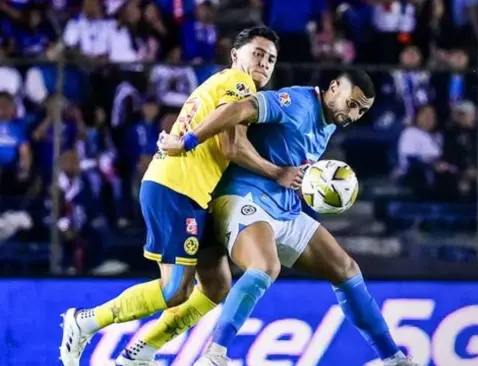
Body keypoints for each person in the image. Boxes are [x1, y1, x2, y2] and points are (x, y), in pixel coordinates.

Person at [59, 26, 303, 366]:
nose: (263, 63)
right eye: (257, 54)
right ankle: (86, 321)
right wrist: (277, 172)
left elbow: (229, 143)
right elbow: (231, 146)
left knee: (217, 285)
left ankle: (139, 352)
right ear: (236, 56)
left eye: (271, 59)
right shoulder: (239, 83)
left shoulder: (223, 84)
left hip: (190, 192)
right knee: (175, 290)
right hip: (176, 188)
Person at [159, 72, 418, 366]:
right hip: (244, 198)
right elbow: (237, 109)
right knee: (265, 266)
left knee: (346, 269)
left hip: (285, 210)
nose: (354, 114)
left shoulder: (329, 120)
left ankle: (393, 359)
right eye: (352, 104)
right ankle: (214, 355)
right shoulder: (296, 101)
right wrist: (189, 140)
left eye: (362, 110)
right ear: (333, 87)